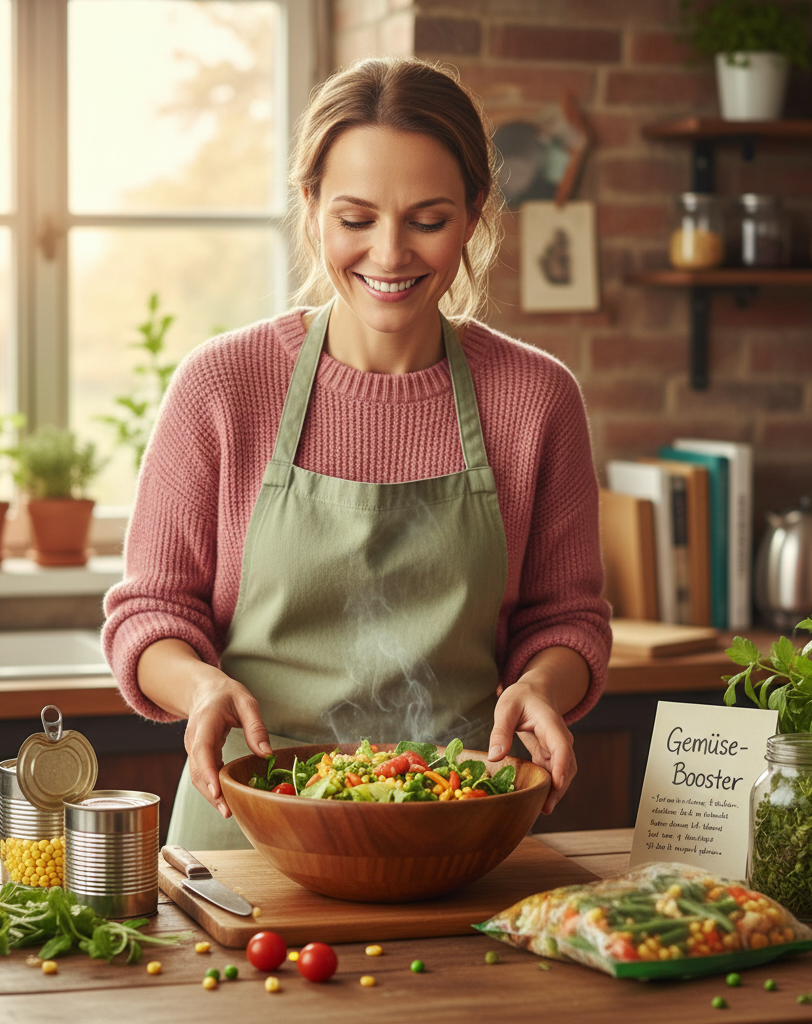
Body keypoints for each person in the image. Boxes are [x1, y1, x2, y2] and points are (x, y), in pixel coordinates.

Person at [102, 55, 612, 850]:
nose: (389, 253)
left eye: (427, 220)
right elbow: (152, 613)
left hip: (458, 822)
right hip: (248, 827)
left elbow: (565, 619)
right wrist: (199, 687)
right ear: (311, 209)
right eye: (356, 219)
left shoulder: (537, 398)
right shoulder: (224, 385)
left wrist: (543, 684)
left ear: (473, 215)